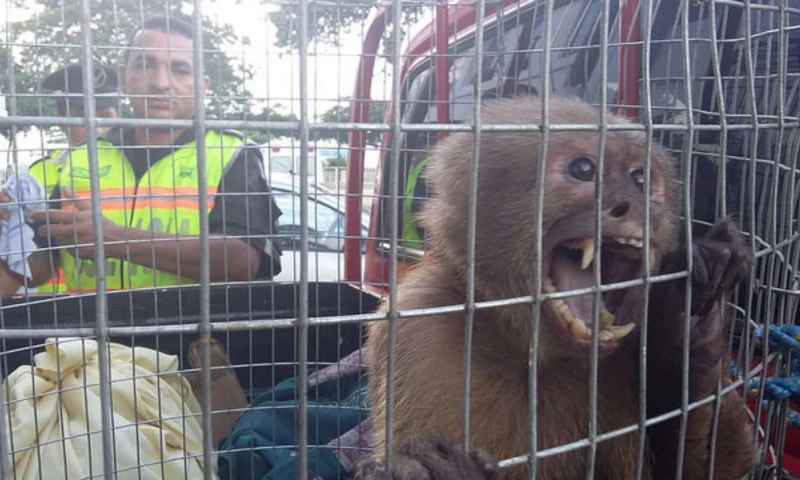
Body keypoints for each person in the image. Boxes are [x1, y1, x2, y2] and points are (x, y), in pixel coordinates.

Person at [0, 15, 282, 295]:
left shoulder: (231, 154)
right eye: (145, 65)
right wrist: (8, 231)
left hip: (192, 326)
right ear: (124, 78)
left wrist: (115, 239)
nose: (160, 82)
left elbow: (243, 261)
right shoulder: (83, 157)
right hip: (93, 324)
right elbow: (38, 265)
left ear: (201, 86)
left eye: (180, 70)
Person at [20, 63, 121, 295]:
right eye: (81, 118)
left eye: (105, 117)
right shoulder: (36, 174)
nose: (96, 128)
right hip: (49, 303)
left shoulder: (136, 167)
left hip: (117, 298)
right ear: (60, 121)